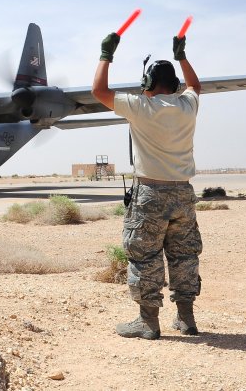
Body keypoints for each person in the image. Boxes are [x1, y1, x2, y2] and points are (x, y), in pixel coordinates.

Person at [91, 30, 202, 340]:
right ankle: (187, 318)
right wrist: (182, 56)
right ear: (175, 85)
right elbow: (195, 85)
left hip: (151, 193)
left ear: (149, 85)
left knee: (145, 256)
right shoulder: (187, 106)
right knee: (184, 256)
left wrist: (105, 55)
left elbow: (98, 90)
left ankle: (148, 322)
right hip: (183, 192)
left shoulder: (140, 107)